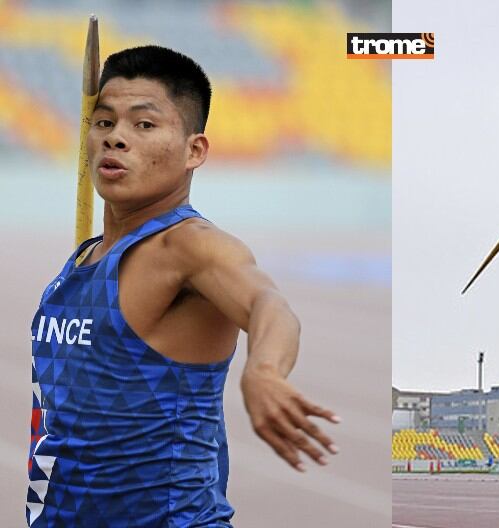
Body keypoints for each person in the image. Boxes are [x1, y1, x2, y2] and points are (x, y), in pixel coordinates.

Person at [27, 45, 339, 526]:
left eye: (144, 125)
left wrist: (266, 371)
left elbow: (267, 304)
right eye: (104, 123)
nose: (117, 139)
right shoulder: (85, 256)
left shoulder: (189, 248)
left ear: (195, 150)